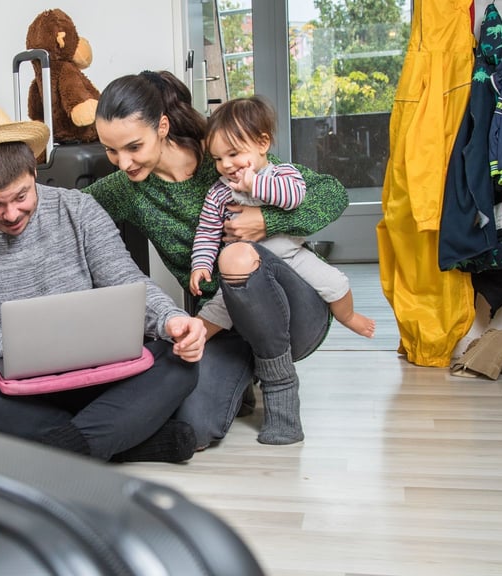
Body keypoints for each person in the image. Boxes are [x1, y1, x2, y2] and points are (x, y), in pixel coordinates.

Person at [0, 100, 205, 463]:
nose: (12, 214)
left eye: (21, 196)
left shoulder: (79, 210)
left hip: (99, 379)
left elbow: (126, 281)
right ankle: (118, 446)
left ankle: (62, 453)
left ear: (34, 173)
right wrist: (12, 346)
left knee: (178, 358)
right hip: (19, 392)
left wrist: (172, 319)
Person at [84, 71, 349, 446]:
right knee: (195, 428)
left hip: (291, 313)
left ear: (161, 127)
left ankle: (280, 386)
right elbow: (70, 209)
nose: (123, 163)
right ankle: (242, 377)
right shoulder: (126, 189)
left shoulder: (224, 157)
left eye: (133, 147)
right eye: (111, 151)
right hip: (221, 322)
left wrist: (267, 219)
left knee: (239, 256)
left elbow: (332, 194)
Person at [190, 96, 375, 339]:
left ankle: (348, 317)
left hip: (292, 257)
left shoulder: (283, 173)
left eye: (233, 154)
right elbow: (207, 232)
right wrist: (201, 264)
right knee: (218, 308)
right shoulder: (219, 191)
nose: (225, 165)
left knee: (336, 283)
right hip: (242, 271)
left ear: (262, 143)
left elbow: (293, 197)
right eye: (217, 159)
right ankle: (192, 339)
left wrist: (254, 184)